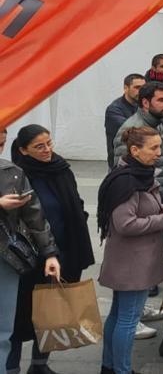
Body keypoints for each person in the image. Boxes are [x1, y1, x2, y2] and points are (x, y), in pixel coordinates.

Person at [8, 126, 87, 374]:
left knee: (52, 311)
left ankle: (40, 365)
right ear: (23, 150)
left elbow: (76, 202)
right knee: (20, 317)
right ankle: (11, 367)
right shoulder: (17, 176)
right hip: (29, 257)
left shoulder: (61, 169)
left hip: (64, 251)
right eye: (39, 146)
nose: (47, 150)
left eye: (49, 143)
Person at [97, 126, 163, 374]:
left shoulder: (135, 175)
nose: (158, 153)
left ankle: (109, 367)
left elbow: (143, 209)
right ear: (134, 150)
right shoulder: (129, 182)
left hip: (129, 260)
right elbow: (125, 223)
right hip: (133, 263)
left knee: (118, 315)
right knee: (128, 320)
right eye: (153, 148)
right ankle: (122, 370)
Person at [113, 81, 163, 192]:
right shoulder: (133, 130)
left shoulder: (157, 122)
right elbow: (124, 173)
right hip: (146, 199)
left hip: (159, 195)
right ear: (145, 103)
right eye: (161, 100)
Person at [105, 73, 145, 168]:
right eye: (137, 87)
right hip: (121, 162)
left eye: (143, 88)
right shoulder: (114, 109)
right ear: (126, 88)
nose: (141, 91)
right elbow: (133, 131)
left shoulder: (142, 106)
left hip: (138, 158)